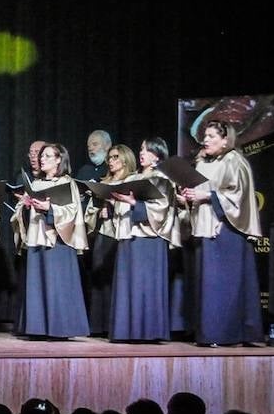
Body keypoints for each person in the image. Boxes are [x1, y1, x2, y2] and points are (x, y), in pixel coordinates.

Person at [181, 120, 263, 346]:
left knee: (221, 286)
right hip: (205, 230)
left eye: (211, 136)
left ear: (225, 140)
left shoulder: (235, 161)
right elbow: (201, 192)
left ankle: (225, 334)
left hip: (225, 231)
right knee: (208, 286)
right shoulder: (205, 162)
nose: (205, 140)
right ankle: (208, 333)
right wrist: (188, 198)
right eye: (204, 136)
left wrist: (208, 196)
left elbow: (238, 195)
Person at [14, 143, 90, 339]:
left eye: (48, 156)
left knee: (57, 285)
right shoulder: (36, 184)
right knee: (37, 284)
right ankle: (38, 328)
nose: (42, 159)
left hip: (58, 242)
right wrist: (25, 206)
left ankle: (59, 328)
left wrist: (50, 208)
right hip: (36, 238)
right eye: (42, 156)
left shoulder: (67, 183)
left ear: (59, 159)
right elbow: (19, 216)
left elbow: (73, 212)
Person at [105, 138, 176, 342]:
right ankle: (126, 331)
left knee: (144, 285)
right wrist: (115, 202)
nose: (141, 153)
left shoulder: (162, 178)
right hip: (129, 235)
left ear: (157, 154)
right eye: (141, 149)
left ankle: (147, 332)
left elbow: (162, 208)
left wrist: (134, 203)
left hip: (149, 238)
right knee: (128, 284)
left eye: (145, 149)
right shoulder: (135, 177)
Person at [83, 143, 135, 335]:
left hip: (121, 235)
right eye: (110, 158)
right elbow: (91, 211)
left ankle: (115, 324)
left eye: (115, 157)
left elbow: (133, 208)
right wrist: (98, 206)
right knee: (99, 276)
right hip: (104, 233)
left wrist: (113, 206)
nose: (111, 161)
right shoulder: (105, 181)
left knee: (115, 279)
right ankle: (98, 324)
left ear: (125, 159)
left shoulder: (131, 181)